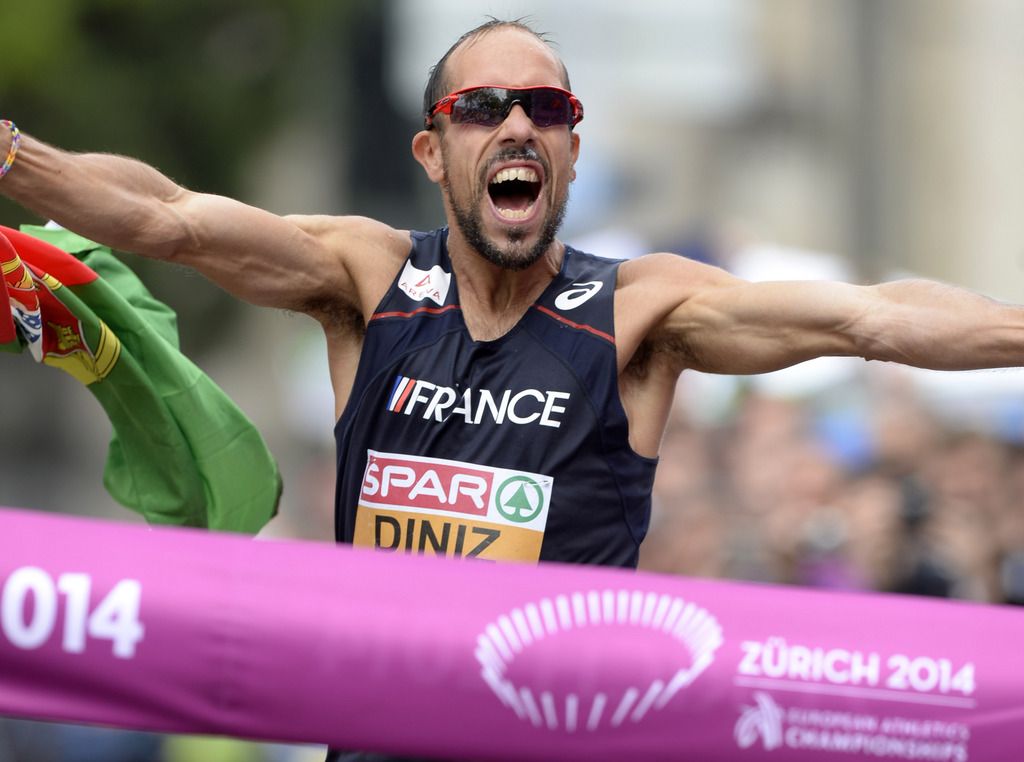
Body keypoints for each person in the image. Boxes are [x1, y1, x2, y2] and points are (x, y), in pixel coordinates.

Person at [2, 17, 1023, 762]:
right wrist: (15, 155)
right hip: (376, 737)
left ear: (572, 152)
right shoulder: (368, 278)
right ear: (432, 152)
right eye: (480, 107)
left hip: (556, 744)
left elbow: (870, 317)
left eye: (546, 108)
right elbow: (171, 219)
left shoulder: (638, 312)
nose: (516, 125)